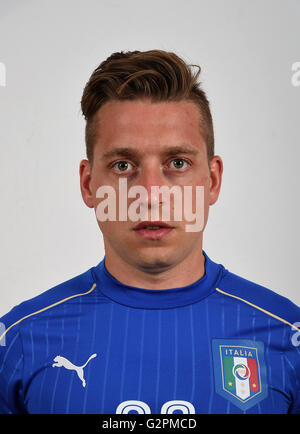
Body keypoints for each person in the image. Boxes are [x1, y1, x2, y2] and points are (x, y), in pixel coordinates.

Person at [0, 49, 299, 414]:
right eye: (123, 164)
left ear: (213, 180)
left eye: (177, 163)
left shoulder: (287, 337)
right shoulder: (19, 342)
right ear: (89, 184)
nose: (151, 193)